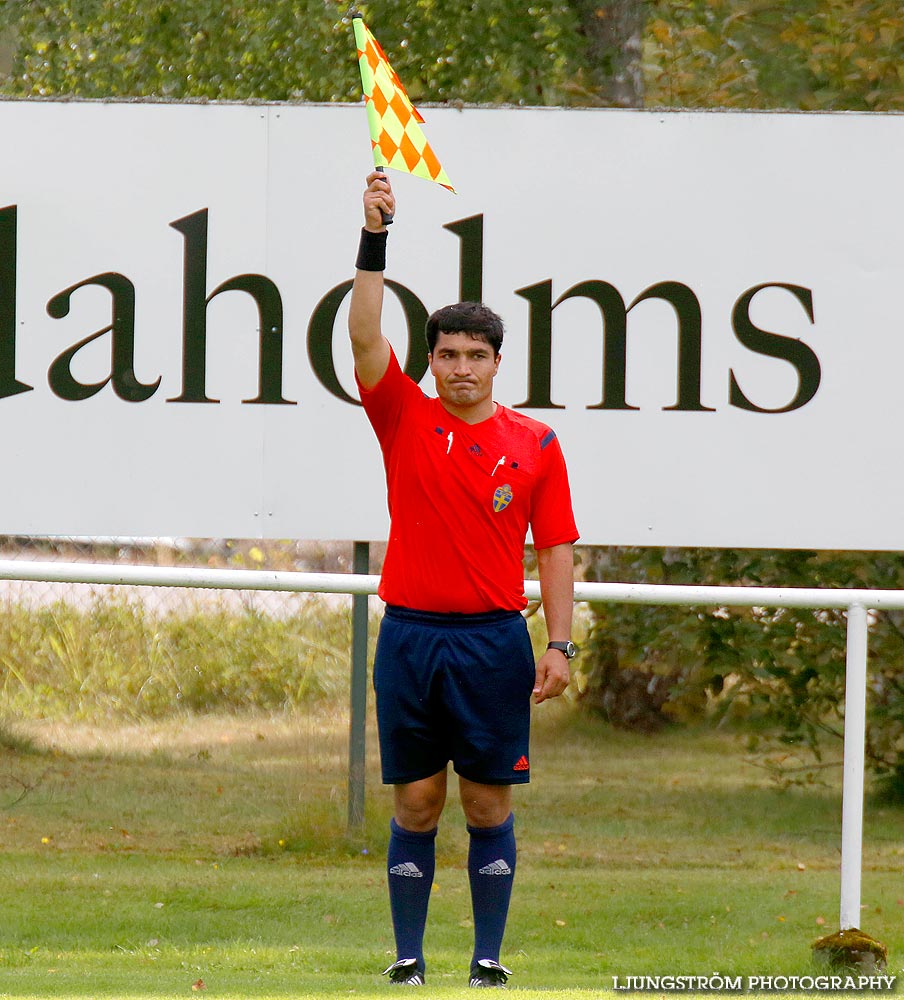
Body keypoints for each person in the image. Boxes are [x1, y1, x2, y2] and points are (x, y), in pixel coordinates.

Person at [348, 170, 579, 989]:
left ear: (498, 363)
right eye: (447, 355)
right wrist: (375, 237)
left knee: (487, 808)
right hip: (410, 635)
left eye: (475, 356)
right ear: (433, 362)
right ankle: (408, 960)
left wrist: (560, 644)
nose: (460, 369)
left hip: (492, 643)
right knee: (415, 803)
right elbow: (365, 335)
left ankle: (487, 959)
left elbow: (554, 550)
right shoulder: (404, 416)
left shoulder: (538, 446)